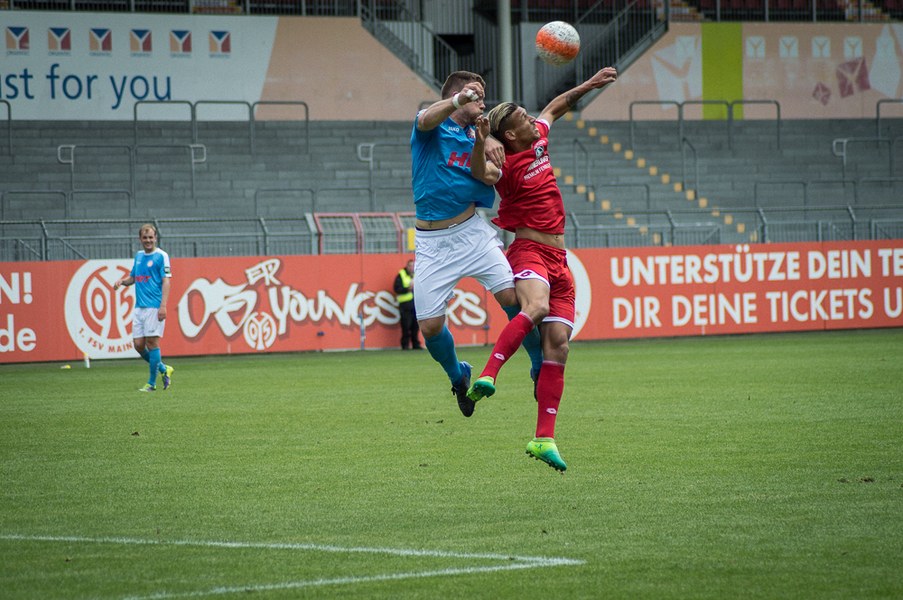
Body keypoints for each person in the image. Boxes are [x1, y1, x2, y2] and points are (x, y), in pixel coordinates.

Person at [466, 66, 619, 472]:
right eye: (523, 119)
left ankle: (543, 439)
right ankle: (489, 374)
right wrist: (483, 139)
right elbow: (480, 172)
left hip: (560, 260)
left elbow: (556, 106)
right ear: (510, 135)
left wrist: (590, 84)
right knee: (534, 308)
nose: (533, 120)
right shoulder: (503, 165)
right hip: (529, 250)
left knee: (559, 347)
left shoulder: (538, 139)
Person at [410, 70, 544, 418]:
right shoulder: (431, 126)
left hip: (472, 233)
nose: (483, 103)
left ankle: (538, 364)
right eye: (477, 96)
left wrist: (488, 140)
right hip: (432, 242)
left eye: (483, 97)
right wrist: (458, 100)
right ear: (458, 96)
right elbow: (425, 119)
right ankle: (458, 377)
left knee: (512, 297)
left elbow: (493, 172)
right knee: (430, 328)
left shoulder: (481, 136)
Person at [113, 223, 174, 392]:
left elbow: (166, 281)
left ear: (155, 238)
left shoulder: (161, 256)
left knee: (152, 343)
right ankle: (164, 369)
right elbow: (133, 277)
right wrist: (122, 281)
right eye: (145, 237)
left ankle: (151, 384)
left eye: (151, 237)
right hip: (139, 307)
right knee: (138, 345)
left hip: (154, 306)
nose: (148, 240)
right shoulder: (139, 256)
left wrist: (163, 306)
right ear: (140, 239)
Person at [394, 258, 422, 350]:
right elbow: (397, 288)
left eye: (413, 265)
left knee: (416, 325)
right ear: (407, 266)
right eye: (410, 266)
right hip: (405, 304)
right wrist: (407, 289)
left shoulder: (418, 274)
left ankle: (415, 344)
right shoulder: (401, 274)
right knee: (406, 325)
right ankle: (405, 345)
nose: (412, 267)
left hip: (416, 304)